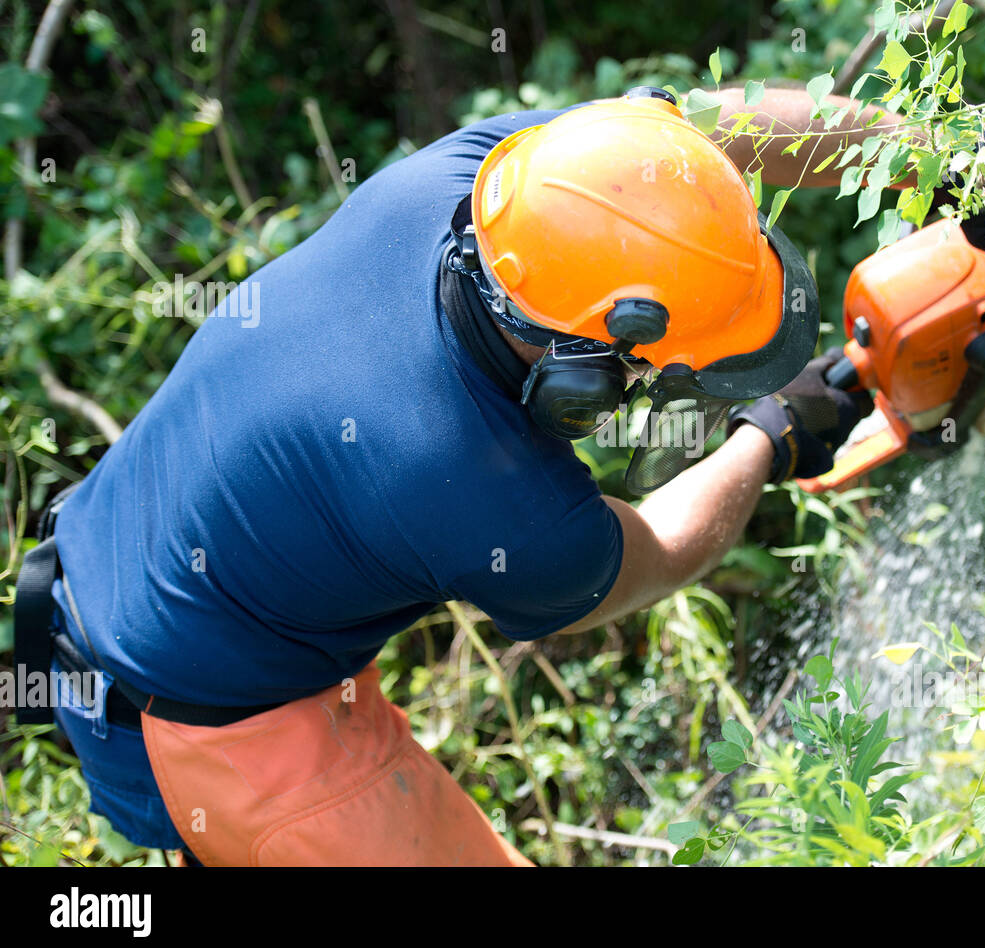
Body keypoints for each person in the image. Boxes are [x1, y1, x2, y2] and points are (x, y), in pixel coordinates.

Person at [16, 83, 899, 865]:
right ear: (582, 373)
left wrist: (930, 147)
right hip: (201, 724)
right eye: (660, 371)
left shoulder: (499, 179)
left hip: (108, 549)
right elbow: (662, 550)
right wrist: (770, 434)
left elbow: (709, 129)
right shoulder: (495, 502)